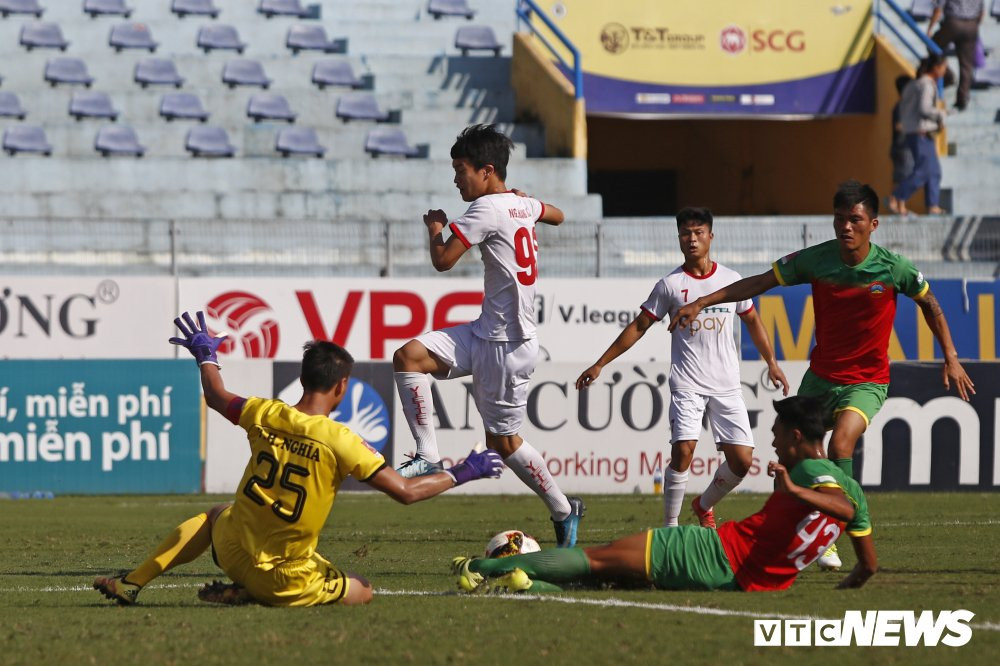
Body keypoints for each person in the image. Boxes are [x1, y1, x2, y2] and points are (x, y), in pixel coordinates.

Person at [94, 311, 505, 607]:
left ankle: (134, 580)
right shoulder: (340, 440)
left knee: (217, 514)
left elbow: (217, 396)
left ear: (305, 377)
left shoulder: (265, 413)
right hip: (286, 579)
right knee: (362, 589)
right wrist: (466, 470)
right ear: (342, 386)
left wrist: (206, 355)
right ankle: (254, 593)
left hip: (234, 552)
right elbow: (407, 492)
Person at [669, 179, 974, 569]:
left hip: (866, 382)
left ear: (873, 225)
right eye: (839, 219)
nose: (846, 227)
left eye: (855, 220)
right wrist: (703, 301)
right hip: (821, 377)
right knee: (795, 452)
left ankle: (831, 529)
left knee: (840, 447)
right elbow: (759, 282)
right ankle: (798, 529)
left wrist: (950, 356)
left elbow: (930, 304)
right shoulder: (817, 259)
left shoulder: (893, 268)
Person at [452, 396, 878, 594]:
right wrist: (850, 582)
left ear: (798, 436)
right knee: (608, 580)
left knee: (598, 557)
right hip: (742, 583)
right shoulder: (856, 494)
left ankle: (480, 566)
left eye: (779, 434)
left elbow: (832, 502)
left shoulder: (808, 471)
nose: (774, 441)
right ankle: (525, 584)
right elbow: (869, 566)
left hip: (712, 553)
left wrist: (793, 488)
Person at [391, 124, 585, 547]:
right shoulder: (518, 205)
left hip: (507, 346)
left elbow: (443, 261)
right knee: (408, 356)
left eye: (461, 169)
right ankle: (427, 455)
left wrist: (435, 227)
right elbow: (559, 214)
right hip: (484, 332)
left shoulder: (486, 210)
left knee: (504, 442)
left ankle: (565, 510)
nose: (456, 178)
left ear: (487, 170)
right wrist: (524, 199)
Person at [575, 207, 789, 530]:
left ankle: (704, 505)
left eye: (698, 232)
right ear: (679, 238)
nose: (692, 239)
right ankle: (670, 527)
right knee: (684, 451)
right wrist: (600, 363)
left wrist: (771, 362)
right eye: (686, 234)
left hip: (727, 384)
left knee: (743, 461)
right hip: (687, 383)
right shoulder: (670, 285)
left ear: (711, 237)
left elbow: (753, 321)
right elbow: (640, 325)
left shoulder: (731, 281)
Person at [889, 53, 949, 216]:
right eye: (944, 67)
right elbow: (925, 108)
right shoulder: (927, 84)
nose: (945, 70)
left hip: (914, 132)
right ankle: (897, 195)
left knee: (934, 171)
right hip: (921, 133)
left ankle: (932, 205)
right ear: (936, 68)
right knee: (924, 170)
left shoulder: (913, 85)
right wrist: (940, 114)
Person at [927, 0, 985, 111]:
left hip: (953, 23)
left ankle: (945, 73)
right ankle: (962, 99)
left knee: (932, 46)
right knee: (967, 65)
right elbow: (981, 12)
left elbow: (938, 9)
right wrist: (974, 25)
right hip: (972, 25)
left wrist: (930, 28)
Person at [889, 73, 915, 211]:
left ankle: (897, 203)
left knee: (902, 177)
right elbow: (899, 126)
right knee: (902, 177)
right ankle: (897, 203)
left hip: (902, 147)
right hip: (902, 147)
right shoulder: (902, 106)